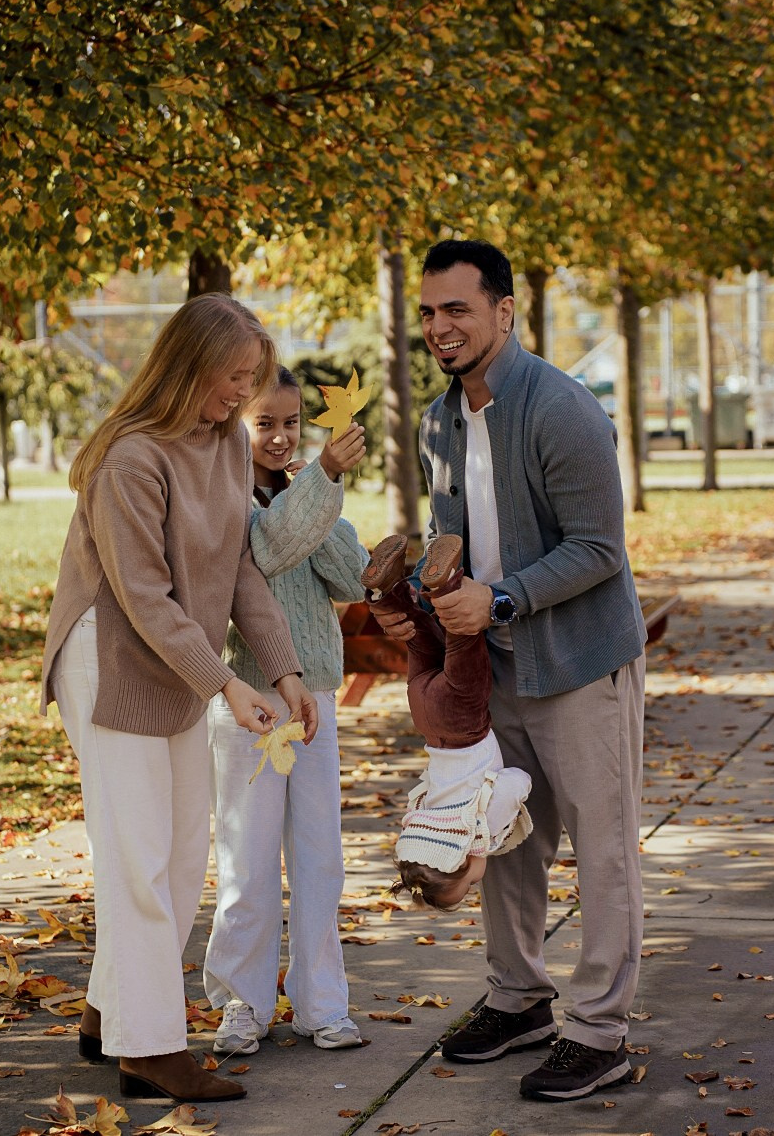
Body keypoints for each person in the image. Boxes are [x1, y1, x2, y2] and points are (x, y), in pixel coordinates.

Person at [372, 240, 647, 1103]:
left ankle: (600, 1032)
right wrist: (417, 601)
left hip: (579, 662)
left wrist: (498, 601)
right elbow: (465, 551)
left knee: (601, 852)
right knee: (505, 839)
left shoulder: (562, 409)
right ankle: (518, 998)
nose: (439, 327)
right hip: (496, 665)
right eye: (427, 312)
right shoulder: (437, 424)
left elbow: (600, 548)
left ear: (503, 310)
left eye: (457, 308)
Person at [41, 294, 318, 1105]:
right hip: (112, 659)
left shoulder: (226, 446)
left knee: (179, 855)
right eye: (233, 378)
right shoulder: (128, 458)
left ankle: (108, 1010)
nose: (242, 394)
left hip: (179, 661)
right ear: (187, 365)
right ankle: (150, 1048)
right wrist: (227, 683)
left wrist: (284, 669)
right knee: (138, 856)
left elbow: (238, 568)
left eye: (251, 380)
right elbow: (144, 594)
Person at [204, 366, 369, 1056]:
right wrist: (319, 482)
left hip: (316, 700)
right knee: (247, 856)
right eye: (263, 422)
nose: (280, 435)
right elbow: (267, 547)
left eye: (291, 421)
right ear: (235, 425)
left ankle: (322, 1001)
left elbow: (352, 574)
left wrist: (316, 487)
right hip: (250, 701)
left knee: (318, 854)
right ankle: (242, 1002)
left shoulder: (307, 487)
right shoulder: (225, 498)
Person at [361, 532, 532, 911]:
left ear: (467, 862)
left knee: (462, 638)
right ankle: (388, 590)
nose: (475, 884)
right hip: (426, 716)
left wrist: (498, 829)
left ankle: (446, 584)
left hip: (463, 720)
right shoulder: (423, 818)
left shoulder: (479, 834)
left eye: (469, 884)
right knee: (421, 641)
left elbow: (518, 782)